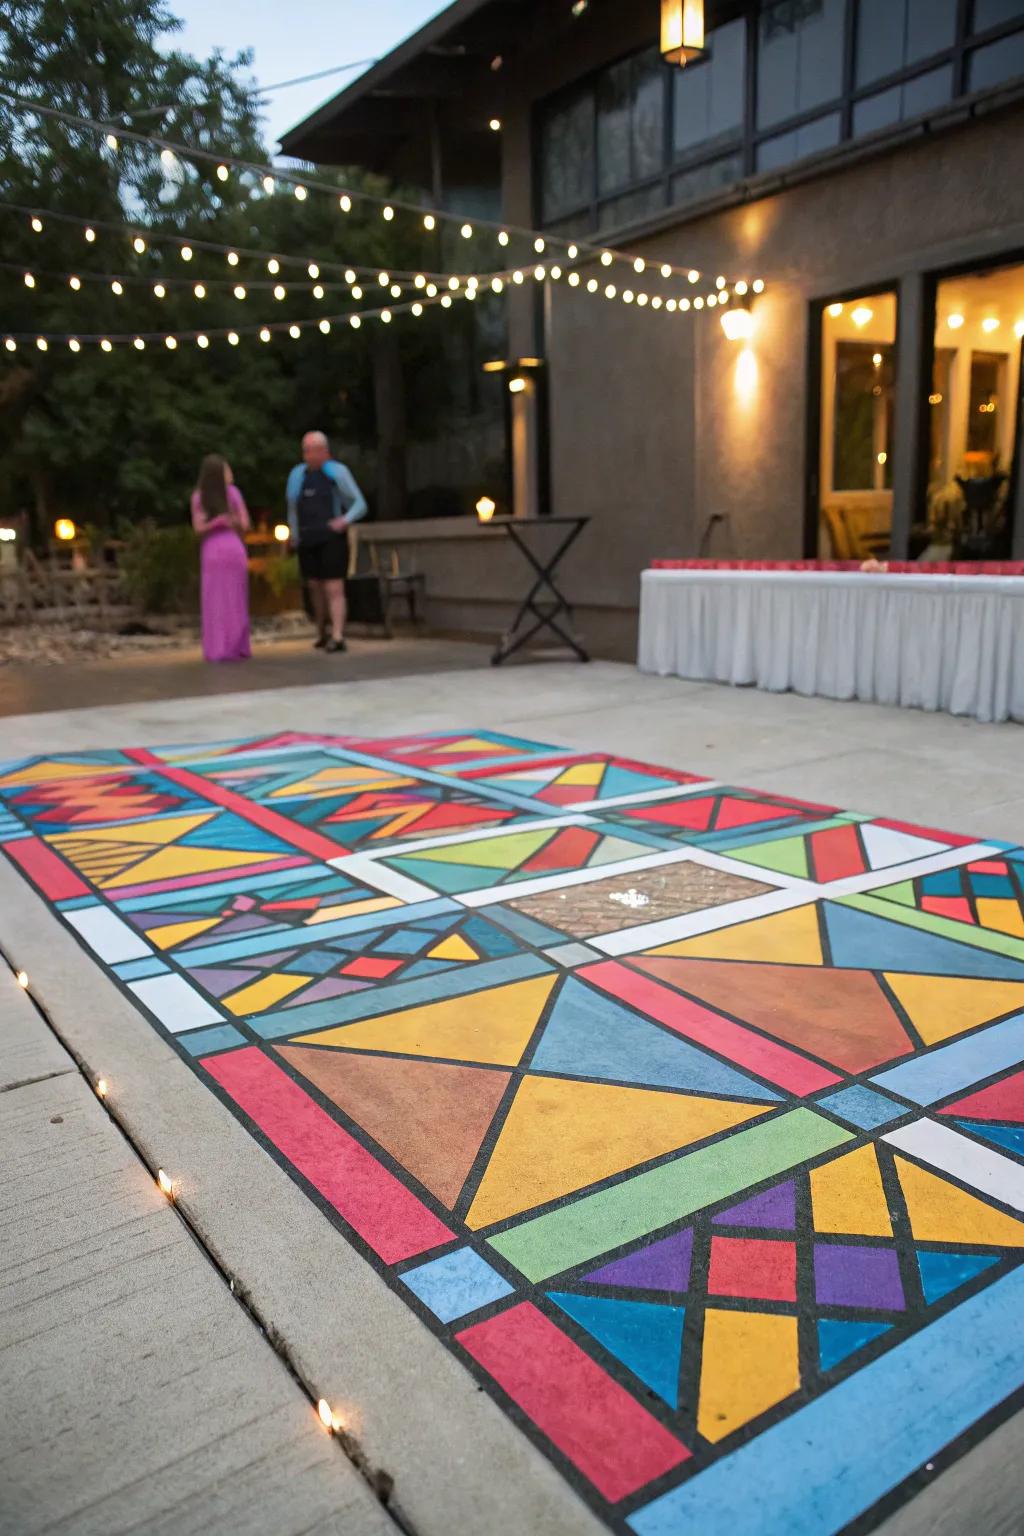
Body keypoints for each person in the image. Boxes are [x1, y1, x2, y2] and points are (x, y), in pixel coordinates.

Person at [286, 431, 367, 653]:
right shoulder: (297, 476)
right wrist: (294, 534)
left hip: (331, 537)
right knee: (314, 586)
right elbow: (292, 507)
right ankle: (321, 629)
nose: (307, 455)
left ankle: (338, 634)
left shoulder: (337, 472)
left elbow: (360, 504)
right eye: (305, 450)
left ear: (323, 451)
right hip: (307, 536)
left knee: (334, 586)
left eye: (311, 450)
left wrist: (344, 520)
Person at [190, 454, 251, 663]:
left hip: (222, 548)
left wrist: (226, 521)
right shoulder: (201, 497)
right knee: (222, 597)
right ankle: (229, 646)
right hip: (222, 548)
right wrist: (220, 522)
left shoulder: (227, 494)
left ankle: (225, 646)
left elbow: (242, 523)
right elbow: (244, 522)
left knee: (227, 597)